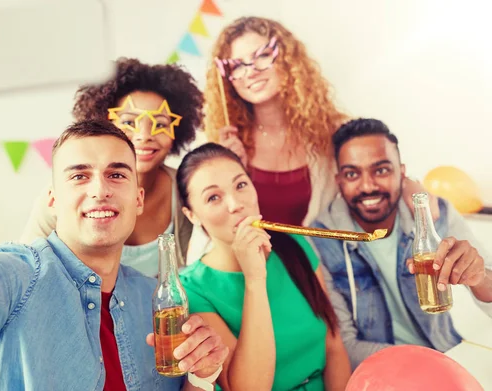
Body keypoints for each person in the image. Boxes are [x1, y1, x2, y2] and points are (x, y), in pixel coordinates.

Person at [0, 1, 228, 390]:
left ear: (137, 198)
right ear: (51, 199)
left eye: (116, 174)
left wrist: (204, 377)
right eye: (79, 175)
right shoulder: (16, 277)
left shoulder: (149, 300)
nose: (99, 189)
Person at [202, 16, 436, 228]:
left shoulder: (331, 131)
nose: (250, 72)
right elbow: (211, 221)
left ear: (286, 59)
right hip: (251, 269)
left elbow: (378, 169)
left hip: (319, 269)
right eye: (237, 65)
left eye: (262, 56)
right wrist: (228, 169)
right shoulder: (226, 142)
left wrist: (411, 185)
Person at [310, 118, 492, 369]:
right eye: (352, 173)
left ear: (402, 172)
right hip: (381, 373)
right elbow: (343, 347)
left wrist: (479, 277)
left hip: (448, 358)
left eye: (381, 170)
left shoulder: (436, 214)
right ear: (339, 180)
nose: (368, 186)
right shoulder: (321, 240)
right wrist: (423, 365)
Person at [175, 143, 351, 391]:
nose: (236, 204)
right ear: (192, 214)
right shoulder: (191, 289)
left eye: (241, 185)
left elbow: (333, 347)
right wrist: (254, 279)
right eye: (213, 197)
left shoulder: (295, 245)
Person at [21, 58, 203, 275]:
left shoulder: (187, 190)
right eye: (128, 122)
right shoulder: (62, 196)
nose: (145, 135)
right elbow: (27, 267)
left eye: (160, 124)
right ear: (104, 124)